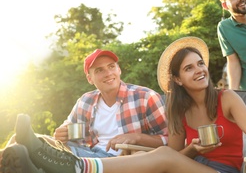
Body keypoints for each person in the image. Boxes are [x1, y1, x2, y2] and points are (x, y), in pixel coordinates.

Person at [0, 37, 246, 173]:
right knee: (151, 164)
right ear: (178, 80)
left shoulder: (227, 98)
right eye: (190, 68)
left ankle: (73, 168)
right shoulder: (178, 111)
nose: (199, 70)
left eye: (200, 64)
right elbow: (181, 155)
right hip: (189, 170)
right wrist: (194, 150)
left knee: (162, 155)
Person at [1, 49, 168, 159]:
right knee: (18, 138)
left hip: (118, 163)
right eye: (99, 70)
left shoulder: (145, 97)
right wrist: (62, 133)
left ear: (119, 70)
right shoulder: (86, 101)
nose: (108, 73)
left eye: (111, 67)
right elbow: (71, 131)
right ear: (90, 79)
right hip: (89, 153)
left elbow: (169, 140)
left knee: (36, 149)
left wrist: (137, 137)